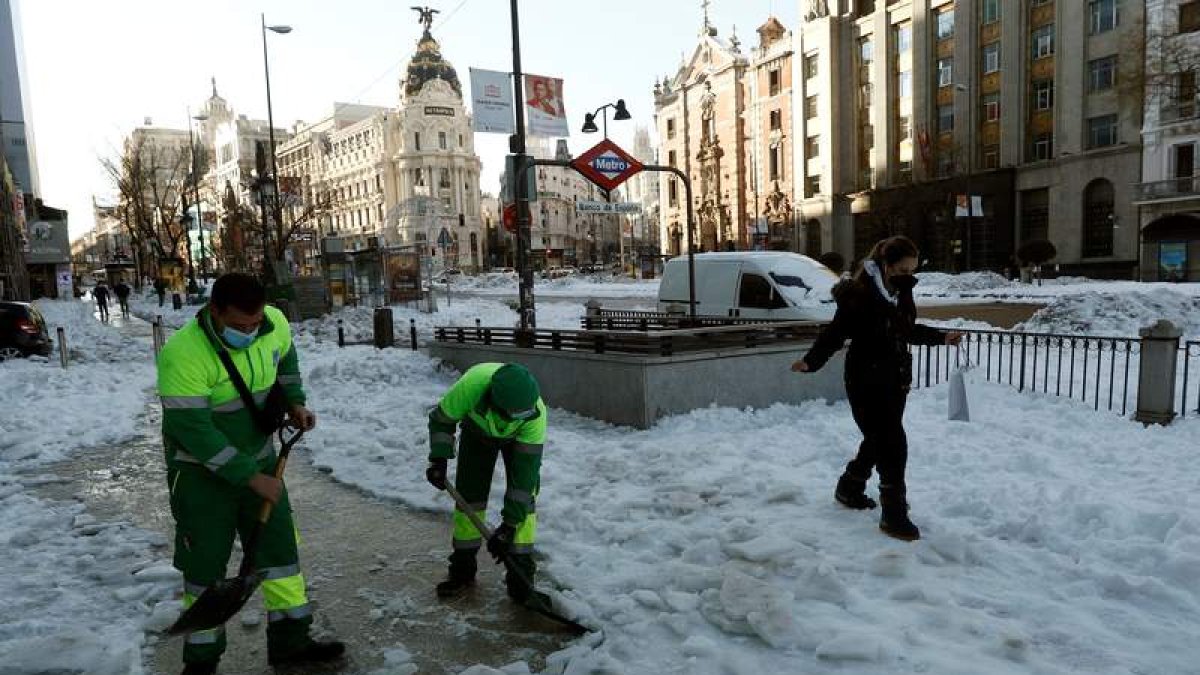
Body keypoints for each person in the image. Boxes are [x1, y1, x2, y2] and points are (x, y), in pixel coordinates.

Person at [156, 273, 344, 674]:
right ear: (215, 311)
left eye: (255, 323)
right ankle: (202, 662)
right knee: (204, 569)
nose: (250, 332)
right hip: (200, 477)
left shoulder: (271, 323)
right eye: (240, 326)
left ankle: (291, 642)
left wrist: (295, 402)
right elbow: (195, 432)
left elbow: (286, 357)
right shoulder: (183, 353)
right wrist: (250, 477)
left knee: (280, 556)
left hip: (258, 460)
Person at [792, 236, 962, 541]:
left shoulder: (901, 290)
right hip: (865, 379)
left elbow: (905, 330)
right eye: (902, 269)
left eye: (912, 269)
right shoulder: (858, 295)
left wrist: (941, 337)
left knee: (879, 438)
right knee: (893, 443)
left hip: (896, 380)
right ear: (885, 264)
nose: (907, 274)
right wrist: (811, 361)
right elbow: (835, 333)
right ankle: (893, 512)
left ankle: (850, 486)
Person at [426, 363, 546, 603]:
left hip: (517, 442)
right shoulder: (471, 387)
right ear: (494, 402)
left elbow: (523, 479)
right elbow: (442, 420)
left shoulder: (535, 416)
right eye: (512, 415)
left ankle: (521, 580)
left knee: (525, 501)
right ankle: (462, 570)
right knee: (470, 497)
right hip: (477, 433)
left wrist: (509, 526)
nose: (517, 419)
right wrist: (439, 457)